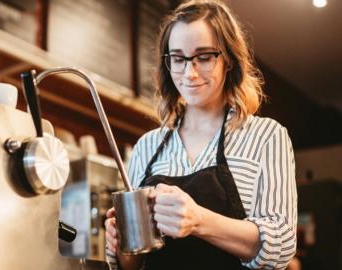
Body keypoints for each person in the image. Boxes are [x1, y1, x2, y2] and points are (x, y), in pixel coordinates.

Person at [104, 0, 297, 269]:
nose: (189, 73)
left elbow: (281, 245)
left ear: (228, 59)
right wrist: (121, 241)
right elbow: (133, 264)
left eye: (204, 57)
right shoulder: (147, 146)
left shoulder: (266, 136)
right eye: (178, 58)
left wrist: (198, 220)